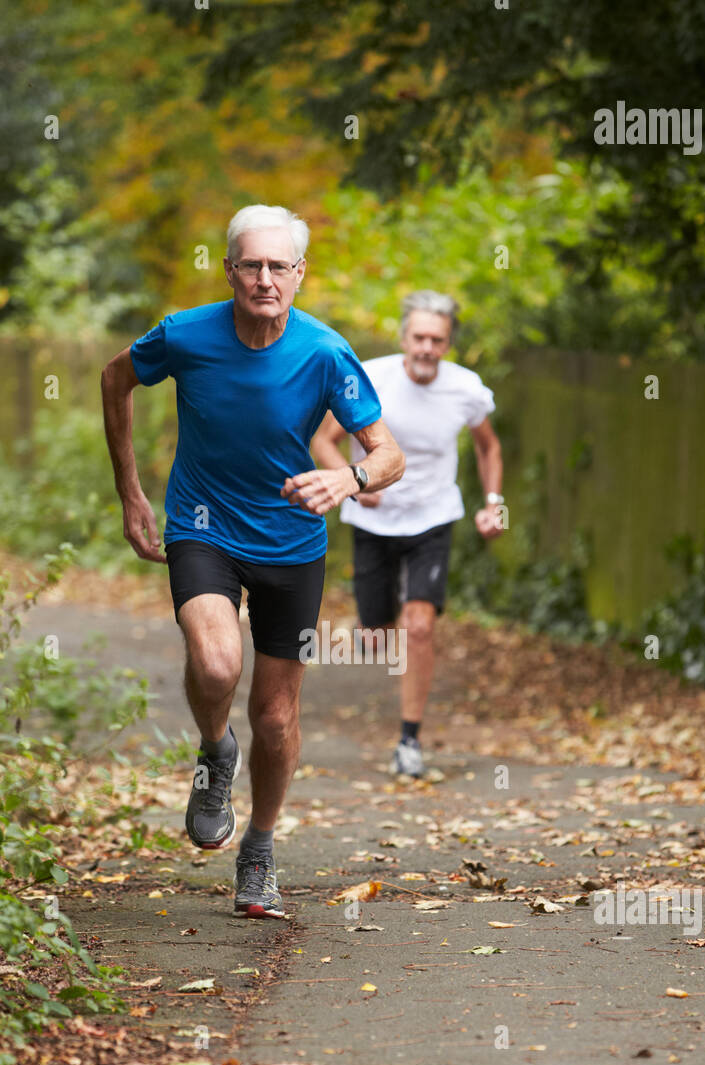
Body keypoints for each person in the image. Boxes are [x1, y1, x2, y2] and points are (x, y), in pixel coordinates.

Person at [100, 205, 404, 917]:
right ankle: (213, 751)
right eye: (251, 265)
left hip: (293, 543)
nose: (264, 278)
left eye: (279, 266)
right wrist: (131, 493)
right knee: (215, 663)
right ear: (229, 269)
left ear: (298, 275)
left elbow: (388, 454)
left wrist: (347, 479)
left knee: (274, 717)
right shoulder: (185, 335)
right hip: (202, 526)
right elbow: (115, 381)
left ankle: (260, 846)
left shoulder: (326, 352)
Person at [311, 290, 504, 777]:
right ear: (403, 338)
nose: (426, 347)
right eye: (418, 337)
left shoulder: (466, 389)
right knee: (378, 637)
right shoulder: (371, 377)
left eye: (436, 339)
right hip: (374, 521)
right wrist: (352, 486)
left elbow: (489, 449)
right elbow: (322, 439)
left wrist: (493, 505)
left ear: (448, 344)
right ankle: (371, 631)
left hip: (433, 517)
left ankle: (409, 741)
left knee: (419, 626)